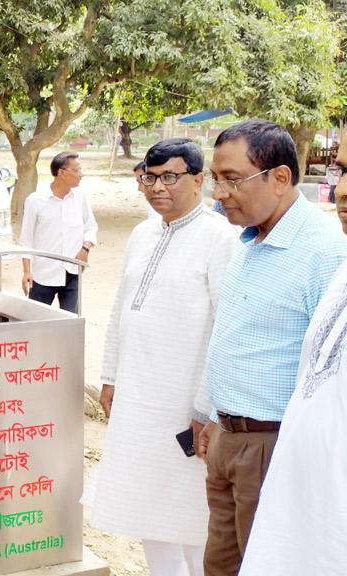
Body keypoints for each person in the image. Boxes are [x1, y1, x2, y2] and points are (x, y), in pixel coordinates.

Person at [196, 119, 347, 576]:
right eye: (216, 178)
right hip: (229, 440)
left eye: (231, 180)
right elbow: (236, 337)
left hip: (275, 445)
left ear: (280, 178)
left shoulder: (328, 255)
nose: (218, 193)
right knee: (221, 564)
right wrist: (215, 415)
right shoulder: (247, 242)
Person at [90, 139, 236, 576]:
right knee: (145, 509)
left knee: (191, 516)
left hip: (184, 405)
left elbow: (224, 327)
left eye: (170, 177)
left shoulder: (219, 238)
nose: (157, 187)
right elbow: (120, 310)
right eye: (150, 178)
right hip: (137, 401)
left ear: (198, 180)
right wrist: (110, 376)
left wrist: (205, 405)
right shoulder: (141, 233)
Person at [19, 151, 98, 313]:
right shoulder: (35, 201)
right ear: (61, 173)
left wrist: (85, 248)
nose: (81, 175)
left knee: (70, 323)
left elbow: (91, 225)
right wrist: (27, 271)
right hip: (43, 275)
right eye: (76, 170)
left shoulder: (80, 197)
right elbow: (26, 238)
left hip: (72, 273)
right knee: (36, 322)